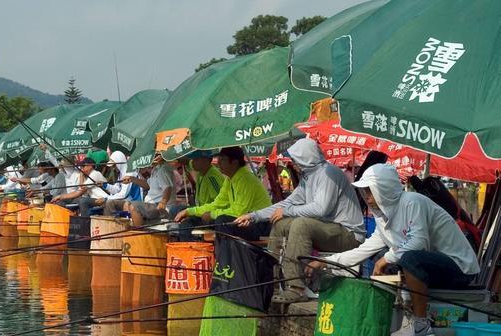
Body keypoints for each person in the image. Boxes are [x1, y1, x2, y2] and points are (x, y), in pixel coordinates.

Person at [307, 164, 480, 336]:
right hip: (433, 268)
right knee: (391, 261)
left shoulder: (412, 202)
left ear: (384, 188)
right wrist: (325, 262)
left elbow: (418, 242)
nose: (367, 196)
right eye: (365, 191)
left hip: (460, 267)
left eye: (370, 190)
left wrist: (387, 258)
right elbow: (363, 250)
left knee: (407, 259)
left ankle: (421, 326)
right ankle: (407, 318)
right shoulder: (382, 217)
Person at [234, 138, 365, 303]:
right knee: (280, 223)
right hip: (328, 229)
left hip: (348, 235)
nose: (293, 163)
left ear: (306, 158)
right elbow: (286, 203)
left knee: (300, 224)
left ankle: (296, 288)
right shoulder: (308, 177)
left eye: (295, 159)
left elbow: (320, 209)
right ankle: (271, 278)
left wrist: (288, 211)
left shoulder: (328, 173)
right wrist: (254, 216)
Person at [175, 147, 270, 241]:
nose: (219, 163)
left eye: (223, 160)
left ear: (235, 162)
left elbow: (239, 212)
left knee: (222, 220)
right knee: (188, 221)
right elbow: (217, 204)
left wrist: (211, 215)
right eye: (219, 160)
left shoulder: (245, 179)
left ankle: (225, 255)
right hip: (241, 220)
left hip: (258, 224)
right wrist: (190, 211)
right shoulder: (229, 179)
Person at [115, 153, 176, 226]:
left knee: (134, 206)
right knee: (126, 204)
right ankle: (132, 229)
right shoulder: (156, 169)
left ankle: (139, 233)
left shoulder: (163, 169)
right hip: (150, 204)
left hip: (160, 207)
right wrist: (132, 179)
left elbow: (167, 187)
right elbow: (147, 185)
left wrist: (163, 202)